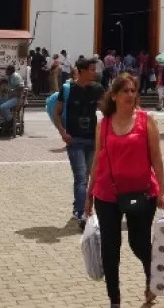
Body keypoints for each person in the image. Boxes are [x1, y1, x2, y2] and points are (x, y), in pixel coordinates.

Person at [85, 73, 164, 308]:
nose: (130, 95)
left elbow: (156, 158)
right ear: (114, 96)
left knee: (138, 243)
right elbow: (97, 160)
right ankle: (115, 300)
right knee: (110, 247)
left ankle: (153, 275)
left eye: (133, 91)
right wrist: (88, 195)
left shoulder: (146, 120)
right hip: (107, 193)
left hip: (142, 192)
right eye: (125, 91)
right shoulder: (104, 124)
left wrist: (162, 191)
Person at [53, 56, 103, 225]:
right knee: (81, 177)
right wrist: (62, 132)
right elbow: (57, 113)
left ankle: (81, 207)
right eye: (92, 69)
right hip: (74, 140)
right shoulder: (68, 89)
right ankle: (81, 212)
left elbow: (107, 110)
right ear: (81, 71)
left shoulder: (97, 89)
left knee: (88, 177)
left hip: (93, 140)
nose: (95, 72)